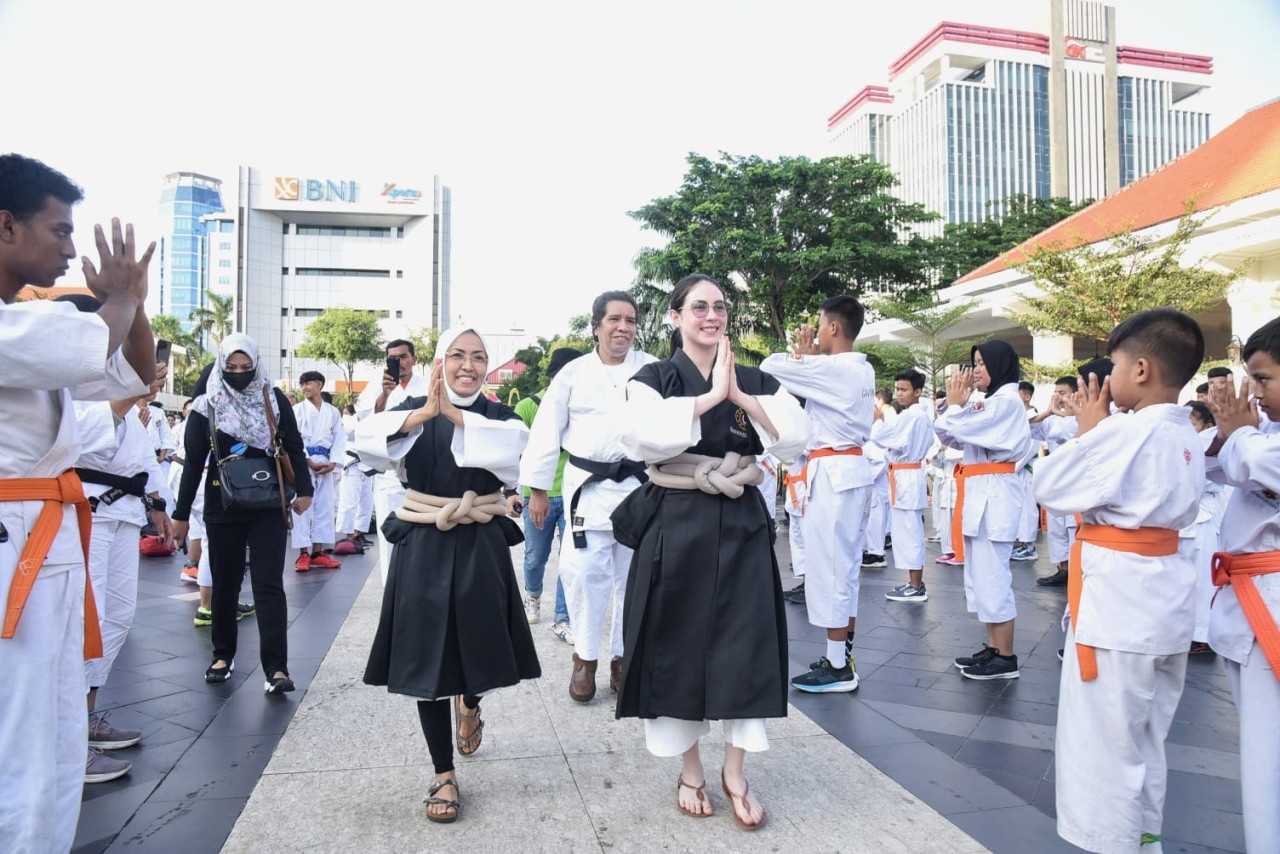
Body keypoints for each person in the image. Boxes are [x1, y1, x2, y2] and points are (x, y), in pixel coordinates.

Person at [0, 154, 157, 853]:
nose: (69, 248)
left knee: (56, 731)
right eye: (59, 230)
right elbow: (91, 343)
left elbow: (135, 373)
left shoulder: (27, 328)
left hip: (47, 540)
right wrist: (116, 298)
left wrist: (135, 302)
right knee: (25, 739)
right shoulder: (23, 333)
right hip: (15, 548)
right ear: (6, 226)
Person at [612, 274, 808, 829]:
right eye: (698, 307)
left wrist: (741, 398)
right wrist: (707, 400)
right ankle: (692, 767)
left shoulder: (755, 377)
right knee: (676, 640)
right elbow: (643, 437)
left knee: (746, 641)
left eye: (719, 307)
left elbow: (797, 439)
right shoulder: (653, 376)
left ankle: (736, 771)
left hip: (740, 519)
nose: (711, 315)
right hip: (676, 519)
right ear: (675, 316)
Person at [1035, 308, 1206, 854]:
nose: (1104, 380)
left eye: (1113, 365)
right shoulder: (1186, 433)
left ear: (1140, 369)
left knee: (1104, 752)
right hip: (1165, 601)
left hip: (1118, 610)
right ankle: (1144, 840)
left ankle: (1112, 845)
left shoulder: (1129, 433)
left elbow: (1051, 486)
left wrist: (1090, 431)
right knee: (1147, 740)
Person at [356, 326, 539, 823]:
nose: (468, 365)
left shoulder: (497, 414)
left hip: (479, 540)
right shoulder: (413, 409)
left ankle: (472, 701)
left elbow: (513, 450)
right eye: (457, 355)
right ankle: (442, 772)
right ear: (439, 361)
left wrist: (455, 416)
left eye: (478, 357)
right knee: (425, 663)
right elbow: (367, 444)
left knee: (478, 644)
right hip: (424, 542)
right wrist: (422, 414)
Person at [519, 292, 656, 702]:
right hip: (587, 489)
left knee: (632, 580)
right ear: (596, 326)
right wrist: (538, 491)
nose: (623, 327)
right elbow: (545, 433)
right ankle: (585, 658)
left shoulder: (653, 370)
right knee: (582, 577)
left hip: (637, 488)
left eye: (630, 320)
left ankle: (621, 659)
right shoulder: (573, 374)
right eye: (614, 319)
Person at [172, 334, 313, 692]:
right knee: (225, 584)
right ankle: (222, 655)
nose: (239, 373)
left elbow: (293, 445)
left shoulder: (273, 397)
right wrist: (181, 512)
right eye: (231, 368)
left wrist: (305, 490)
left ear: (256, 364)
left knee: (269, 585)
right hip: (223, 503)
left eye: (246, 367)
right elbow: (193, 462)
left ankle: (276, 668)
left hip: (268, 502)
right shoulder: (207, 405)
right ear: (220, 367)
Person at [761, 296, 875, 693]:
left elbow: (769, 365)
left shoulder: (835, 368)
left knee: (830, 569)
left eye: (819, 324)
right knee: (844, 569)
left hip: (834, 475)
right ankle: (842, 655)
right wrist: (810, 362)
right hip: (849, 471)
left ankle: (838, 665)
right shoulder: (860, 369)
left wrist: (802, 358)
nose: (814, 331)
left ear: (833, 328)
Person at [72, 347, 174, 784]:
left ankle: (86, 714)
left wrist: (159, 507)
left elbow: (143, 466)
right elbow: (87, 440)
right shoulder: (82, 393)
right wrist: (135, 387)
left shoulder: (134, 413)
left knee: (117, 619)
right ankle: (68, 738)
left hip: (125, 516)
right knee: (84, 621)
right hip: (89, 514)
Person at [1205, 320, 1280, 851]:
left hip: (1270, 606)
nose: (1254, 393)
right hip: (1248, 598)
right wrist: (1230, 433)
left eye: (1264, 379)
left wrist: (1239, 434)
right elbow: (1218, 467)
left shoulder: (1260, 442)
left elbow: (1250, 461)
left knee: (1266, 755)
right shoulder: (1265, 433)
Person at [936, 340, 1032, 680]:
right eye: (974, 363)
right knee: (979, 577)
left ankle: (1005, 656)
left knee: (993, 576)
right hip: (980, 491)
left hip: (995, 492)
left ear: (999, 365)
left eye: (981, 363)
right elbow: (949, 435)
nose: (975, 370)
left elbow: (957, 427)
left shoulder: (1006, 401)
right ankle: (993, 647)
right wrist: (957, 407)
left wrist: (958, 407)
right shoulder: (989, 403)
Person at [509, 346, 583, 643]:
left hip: (574, 493)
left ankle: (563, 619)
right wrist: (518, 492)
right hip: (537, 495)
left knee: (571, 559)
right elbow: (516, 454)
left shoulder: (584, 409)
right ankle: (533, 595)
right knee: (535, 557)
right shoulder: (528, 406)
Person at [357, 339, 431, 584]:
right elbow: (368, 426)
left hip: (423, 474)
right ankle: (392, 594)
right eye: (393, 357)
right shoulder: (377, 389)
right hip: (390, 475)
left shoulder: (429, 386)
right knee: (390, 539)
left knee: (424, 540)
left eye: (403, 356)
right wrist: (385, 394)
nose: (399, 362)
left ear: (414, 359)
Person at [878, 369, 936, 602]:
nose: (899, 394)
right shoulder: (915, 415)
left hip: (908, 476)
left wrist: (878, 423)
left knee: (910, 531)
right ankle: (913, 582)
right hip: (906, 475)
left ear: (918, 391)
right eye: (898, 389)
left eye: (904, 390)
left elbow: (889, 439)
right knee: (906, 531)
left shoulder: (913, 416)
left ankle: (916, 584)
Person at [1029, 376, 1079, 586]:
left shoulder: (1081, 417)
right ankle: (1063, 569)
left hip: (1075, 483)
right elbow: (1029, 429)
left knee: (1073, 529)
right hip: (1056, 482)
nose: (1058, 396)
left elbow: (1064, 431)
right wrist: (1047, 412)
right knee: (1057, 529)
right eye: (1056, 392)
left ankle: (1077, 569)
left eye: (1063, 392)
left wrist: (1061, 414)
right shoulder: (1051, 419)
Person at [292, 370, 344, 571]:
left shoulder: (332, 412)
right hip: (304, 462)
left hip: (326, 462)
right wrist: (307, 460)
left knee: (325, 507)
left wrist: (333, 462)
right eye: (302, 384)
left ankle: (317, 552)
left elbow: (340, 439)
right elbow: (294, 439)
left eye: (308, 383)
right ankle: (303, 553)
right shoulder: (297, 410)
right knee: (302, 508)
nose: (304, 387)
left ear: (319, 384)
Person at [337, 403, 375, 548]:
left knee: (366, 502)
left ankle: (358, 533)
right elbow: (350, 431)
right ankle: (349, 535)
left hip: (367, 464)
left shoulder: (372, 419)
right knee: (349, 501)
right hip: (352, 464)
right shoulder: (347, 420)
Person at [1011, 380, 1041, 562]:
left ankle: (1029, 546)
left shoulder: (1034, 418)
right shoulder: (1020, 419)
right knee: (1020, 509)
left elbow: (1029, 449)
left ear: (1027, 397)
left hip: (1027, 471)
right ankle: (1022, 543)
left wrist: (1010, 468)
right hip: (1017, 471)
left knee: (1028, 509)